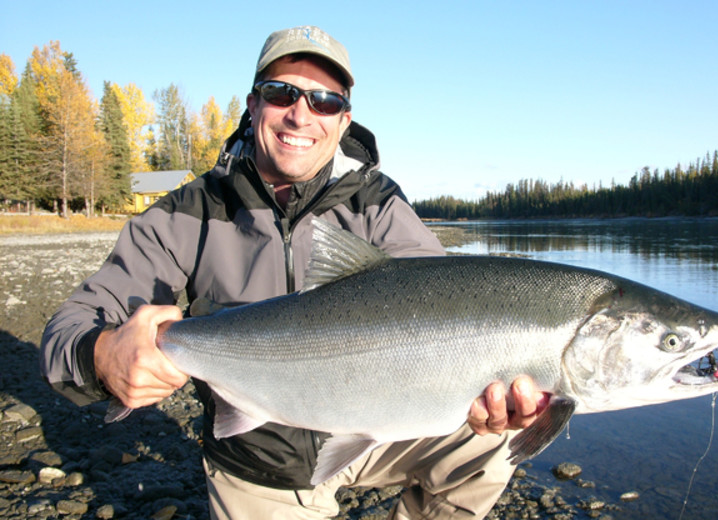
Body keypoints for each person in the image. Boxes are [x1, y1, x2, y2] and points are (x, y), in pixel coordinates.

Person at [40, 25, 548, 519]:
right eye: (282, 93)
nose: (301, 114)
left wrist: (490, 384)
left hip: (377, 428)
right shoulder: (188, 213)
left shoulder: (377, 205)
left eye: (325, 101)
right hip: (261, 458)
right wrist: (103, 355)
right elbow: (67, 332)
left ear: (344, 121)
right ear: (253, 104)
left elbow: (446, 303)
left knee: (495, 445)